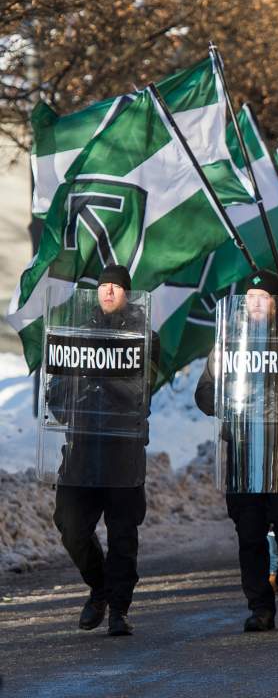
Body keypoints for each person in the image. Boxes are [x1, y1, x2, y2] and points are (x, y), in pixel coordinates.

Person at [195, 270, 278, 632]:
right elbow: (204, 392)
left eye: (263, 296)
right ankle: (259, 607)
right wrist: (225, 402)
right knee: (249, 534)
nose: (256, 303)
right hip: (245, 453)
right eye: (251, 297)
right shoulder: (228, 344)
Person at [48, 264, 160, 636]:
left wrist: (98, 377)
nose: (108, 291)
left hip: (122, 451)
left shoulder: (146, 338)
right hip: (81, 448)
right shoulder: (76, 335)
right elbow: (58, 389)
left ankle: (118, 610)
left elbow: (141, 392)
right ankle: (100, 588)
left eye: (116, 286)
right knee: (70, 525)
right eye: (103, 286)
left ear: (127, 292)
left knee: (123, 535)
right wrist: (62, 402)